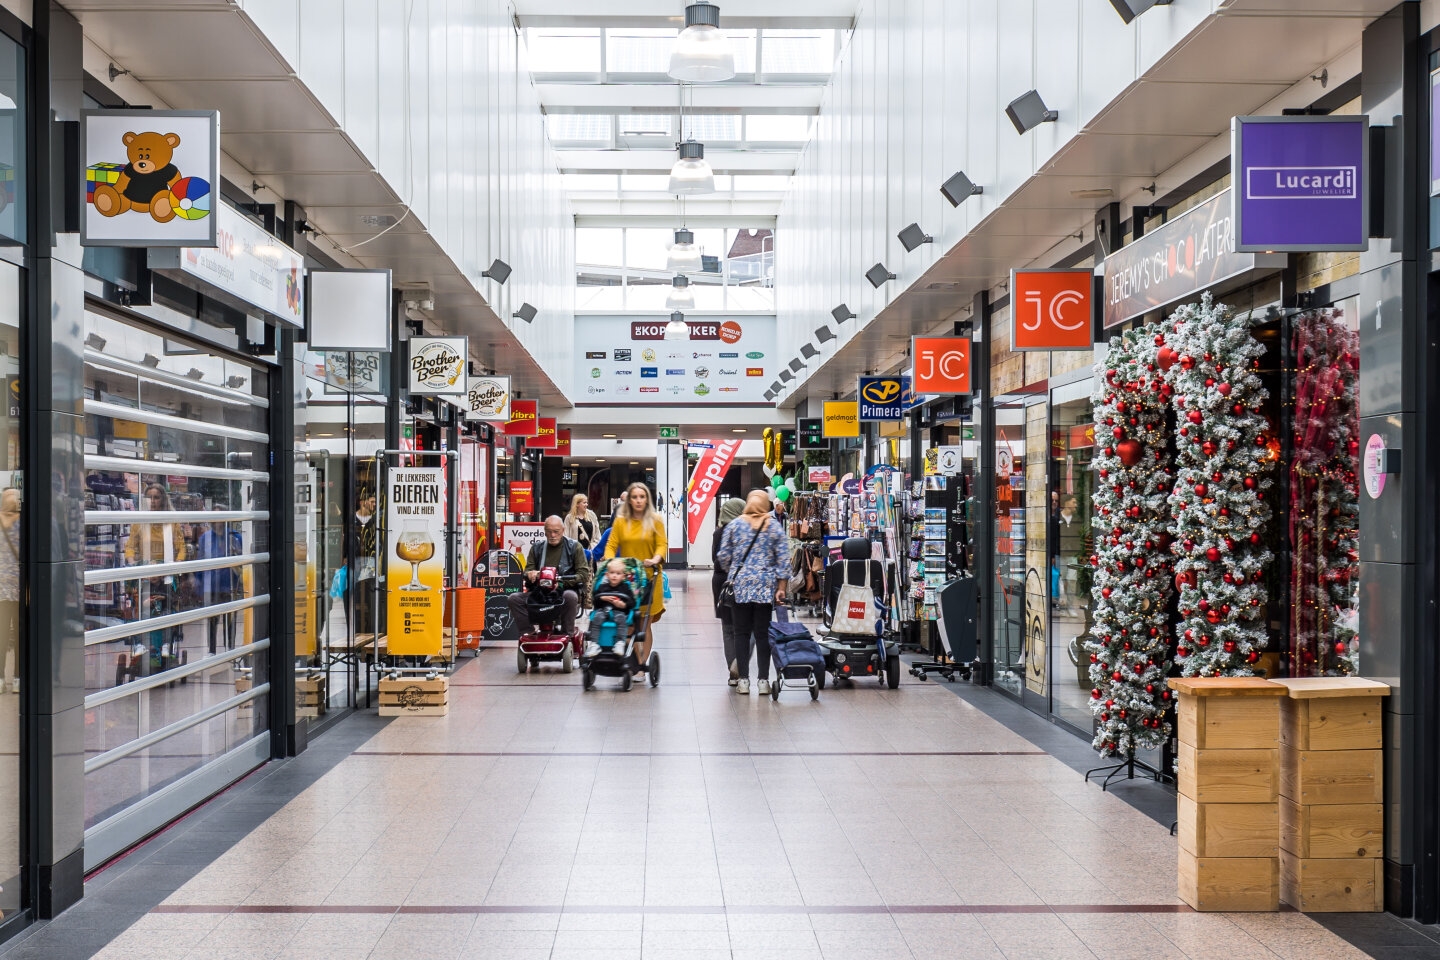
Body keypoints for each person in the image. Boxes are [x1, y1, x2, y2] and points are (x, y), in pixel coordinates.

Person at [715, 490, 789, 696]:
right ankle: (764, 681)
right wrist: (781, 587)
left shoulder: (735, 525)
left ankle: (744, 681)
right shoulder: (773, 526)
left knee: (741, 632)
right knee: (762, 634)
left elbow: (723, 556)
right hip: (765, 588)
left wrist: (735, 570)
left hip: (741, 588)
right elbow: (783, 558)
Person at [603, 482, 666, 668]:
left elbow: (662, 545)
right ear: (629, 500)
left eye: (642, 497)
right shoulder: (621, 521)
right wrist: (611, 562)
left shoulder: (656, 520)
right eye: (634, 497)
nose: (638, 501)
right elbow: (611, 545)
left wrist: (655, 559)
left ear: (647, 499)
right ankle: (629, 660)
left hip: (649, 577)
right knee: (629, 623)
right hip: (627, 579)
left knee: (644, 624)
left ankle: (640, 664)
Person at [507, 515, 590, 634]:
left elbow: (583, 574)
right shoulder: (537, 548)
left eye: (556, 532)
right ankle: (528, 633)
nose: (552, 535)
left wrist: (560, 582)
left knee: (570, 597)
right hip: (540, 593)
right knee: (514, 599)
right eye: (549, 532)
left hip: (563, 591)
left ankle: (568, 634)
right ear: (544, 532)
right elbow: (527, 571)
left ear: (563, 530)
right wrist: (530, 574)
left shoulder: (574, 547)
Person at [710, 497, 746, 686]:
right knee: (747, 627)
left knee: (728, 629)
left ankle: (733, 673)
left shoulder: (718, 533)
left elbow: (715, 559)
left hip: (720, 583)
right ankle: (739, 664)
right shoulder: (744, 531)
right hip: (740, 581)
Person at [585, 559, 635, 656]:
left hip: (619, 611)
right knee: (596, 619)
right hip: (603, 610)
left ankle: (620, 642)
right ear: (607, 575)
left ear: (623, 576)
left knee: (621, 620)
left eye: (618, 573)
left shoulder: (625, 588)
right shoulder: (603, 587)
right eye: (612, 573)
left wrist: (622, 604)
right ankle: (594, 643)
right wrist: (602, 598)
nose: (614, 575)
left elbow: (631, 602)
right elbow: (595, 600)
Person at [349, 490, 378, 636]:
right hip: (355, 564)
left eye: (375, 502)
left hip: (371, 564)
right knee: (356, 599)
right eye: (371, 501)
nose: (374, 504)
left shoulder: (377, 521)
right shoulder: (351, 520)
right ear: (362, 502)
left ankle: (370, 630)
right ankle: (357, 631)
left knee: (370, 598)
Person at [564, 493, 600, 604]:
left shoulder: (592, 516)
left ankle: (588, 598)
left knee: (590, 576)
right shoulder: (570, 518)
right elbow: (566, 537)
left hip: (590, 552)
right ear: (577, 504)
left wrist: (592, 548)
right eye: (584, 502)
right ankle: (578, 597)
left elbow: (597, 535)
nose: (586, 504)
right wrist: (572, 550)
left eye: (586, 502)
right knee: (578, 575)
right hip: (576, 553)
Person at [0, 489, 19, 693]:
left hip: (13, 589)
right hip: (8, 589)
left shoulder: (22, 522)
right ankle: (8, 677)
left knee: (11, 635)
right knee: (8, 635)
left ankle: (13, 678)